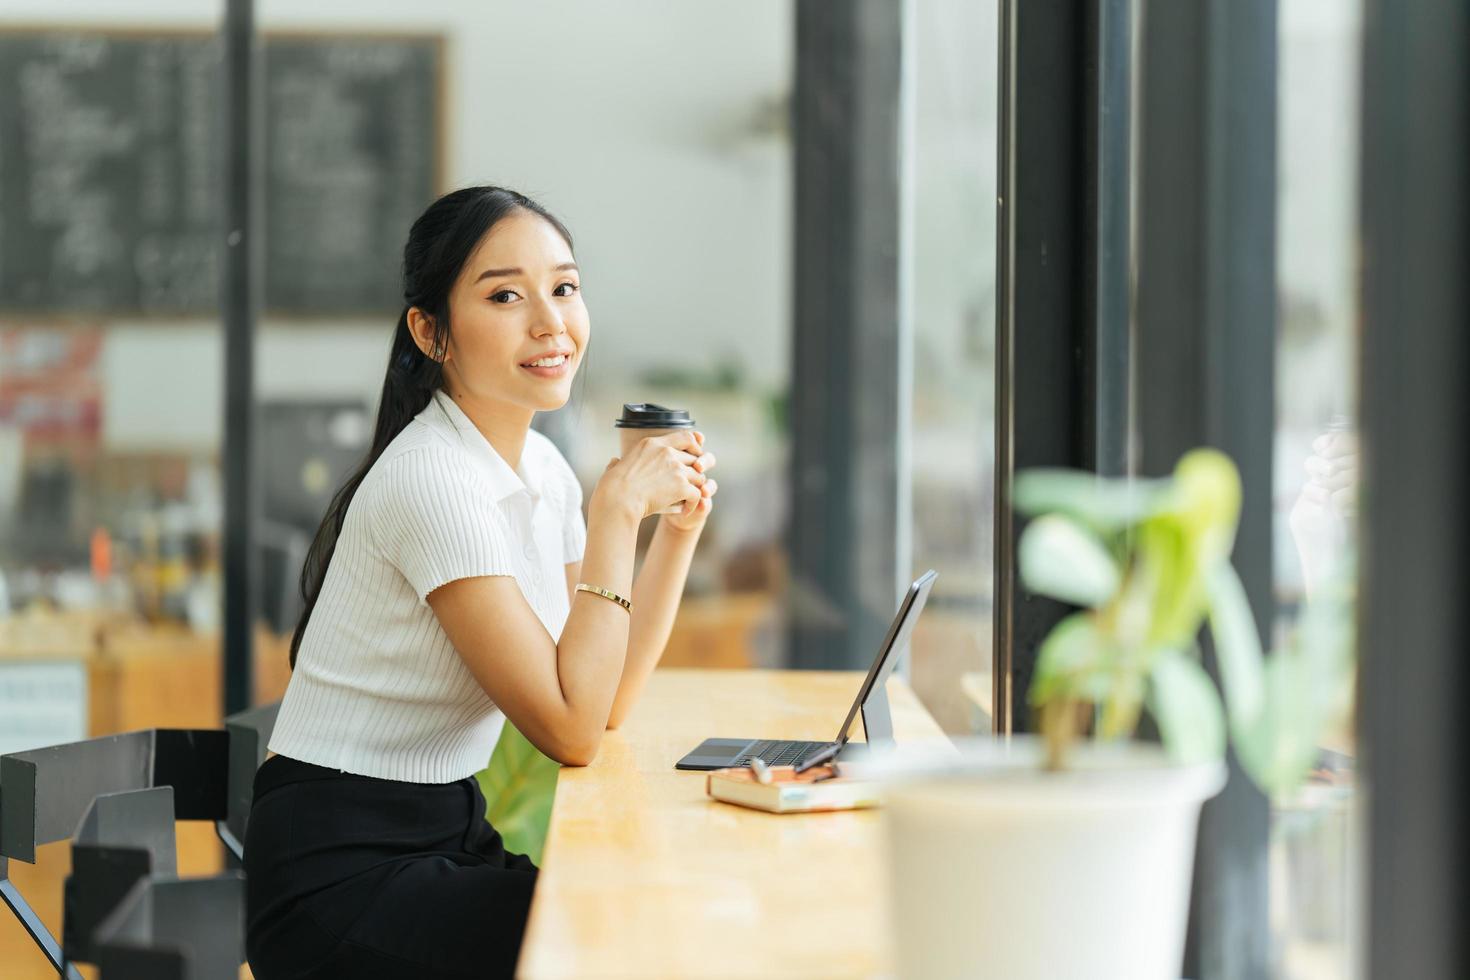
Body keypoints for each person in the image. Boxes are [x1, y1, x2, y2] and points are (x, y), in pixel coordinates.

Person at [243, 186, 718, 979]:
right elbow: (568, 731)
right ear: (431, 333)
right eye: (505, 295)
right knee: (620, 938)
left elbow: (604, 704)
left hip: (446, 831)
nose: (550, 322)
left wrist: (674, 533)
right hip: (338, 875)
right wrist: (613, 521)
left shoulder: (541, 468)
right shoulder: (433, 480)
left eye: (564, 288)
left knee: (642, 912)